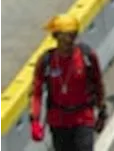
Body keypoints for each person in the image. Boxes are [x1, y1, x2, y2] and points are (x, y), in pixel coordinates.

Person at [29, 14, 107, 151]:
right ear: (56, 36)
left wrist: (102, 112)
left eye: (73, 34)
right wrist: (35, 121)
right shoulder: (46, 61)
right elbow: (36, 92)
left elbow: (98, 84)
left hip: (83, 118)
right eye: (66, 35)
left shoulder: (87, 56)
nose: (70, 39)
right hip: (58, 121)